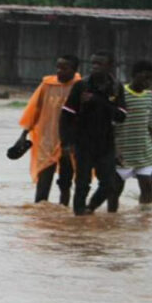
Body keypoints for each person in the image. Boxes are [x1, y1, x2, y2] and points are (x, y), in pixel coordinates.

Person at [61, 51, 128, 215]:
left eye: (99, 64)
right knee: (82, 183)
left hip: (105, 143)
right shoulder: (81, 85)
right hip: (83, 142)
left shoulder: (116, 87)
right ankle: (78, 218)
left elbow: (121, 116)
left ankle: (90, 208)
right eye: (93, 64)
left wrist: (98, 101)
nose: (95, 67)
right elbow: (66, 115)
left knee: (109, 184)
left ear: (109, 66)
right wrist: (66, 143)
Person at [16, 54, 82, 204]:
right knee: (43, 181)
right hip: (46, 140)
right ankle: (41, 215)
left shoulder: (80, 86)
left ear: (74, 69)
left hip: (69, 143)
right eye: (58, 67)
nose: (59, 71)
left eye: (64, 68)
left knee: (65, 183)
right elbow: (34, 110)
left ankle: (62, 214)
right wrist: (24, 134)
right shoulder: (47, 85)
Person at [114, 60, 152, 205]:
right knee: (115, 189)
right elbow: (112, 126)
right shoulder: (120, 95)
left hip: (144, 151)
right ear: (134, 76)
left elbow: (149, 126)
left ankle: (145, 218)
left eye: (150, 79)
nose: (148, 82)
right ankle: (112, 216)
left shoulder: (149, 97)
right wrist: (115, 149)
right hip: (123, 150)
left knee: (147, 186)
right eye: (145, 78)